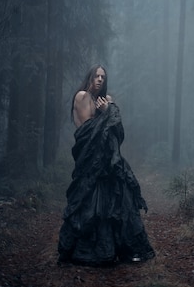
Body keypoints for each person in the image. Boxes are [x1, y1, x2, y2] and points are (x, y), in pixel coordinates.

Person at [58, 64, 155, 266]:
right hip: (90, 161)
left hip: (107, 161)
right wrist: (108, 112)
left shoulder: (105, 101)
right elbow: (88, 131)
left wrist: (108, 109)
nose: (100, 79)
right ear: (90, 78)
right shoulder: (82, 96)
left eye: (103, 76)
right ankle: (85, 252)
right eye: (96, 76)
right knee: (89, 203)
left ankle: (118, 250)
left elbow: (117, 132)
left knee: (116, 201)